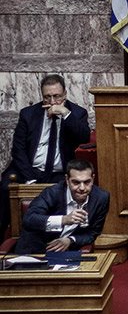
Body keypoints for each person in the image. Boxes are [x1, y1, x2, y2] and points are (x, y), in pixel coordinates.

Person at [0, 74, 90, 239]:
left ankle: (58, 238)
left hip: (59, 171)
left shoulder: (77, 113)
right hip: (29, 169)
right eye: (47, 97)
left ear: (65, 94)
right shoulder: (28, 114)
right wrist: (30, 179)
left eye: (57, 96)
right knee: (5, 186)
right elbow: (18, 149)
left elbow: (84, 136)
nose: (52, 101)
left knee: (66, 191)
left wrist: (65, 113)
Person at [14, 159, 109, 254]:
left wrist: (70, 240)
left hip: (68, 252)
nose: (82, 188)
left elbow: (93, 233)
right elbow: (29, 219)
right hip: (35, 250)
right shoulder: (52, 193)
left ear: (93, 178)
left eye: (87, 182)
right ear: (67, 180)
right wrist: (64, 220)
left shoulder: (101, 198)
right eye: (76, 182)